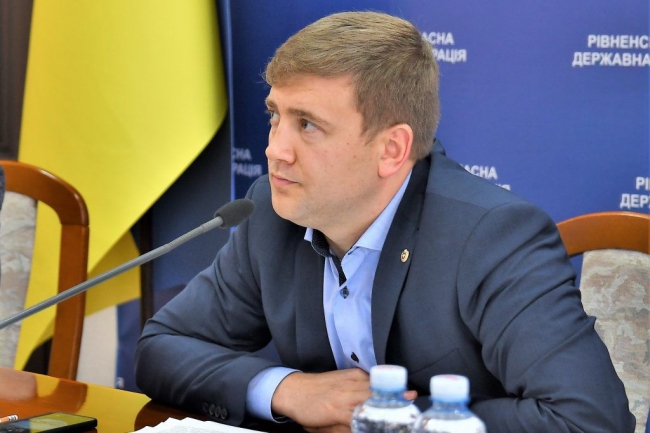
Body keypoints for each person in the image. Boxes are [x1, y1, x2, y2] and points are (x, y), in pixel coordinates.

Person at [135, 11, 635, 432]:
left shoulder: (492, 237)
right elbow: (163, 348)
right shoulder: (271, 213)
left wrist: (381, 418)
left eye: (307, 124)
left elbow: (589, 419)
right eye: (274, 116)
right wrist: (288, 390)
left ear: (391, 149)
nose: (275, 150)